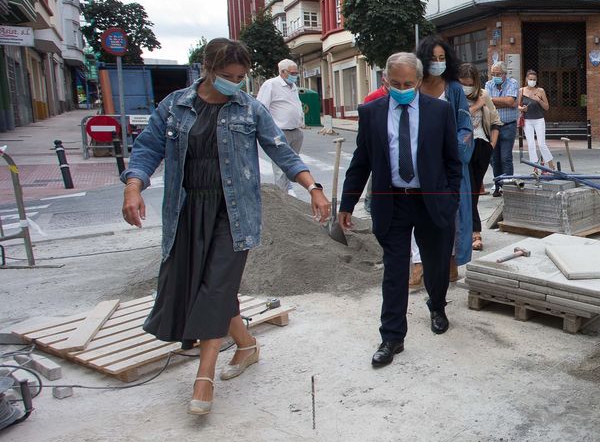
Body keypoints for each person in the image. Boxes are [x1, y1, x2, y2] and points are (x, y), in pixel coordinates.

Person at [121, 38, 330, 415]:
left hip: (233, 214)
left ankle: (205, 376)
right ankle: (246, 346)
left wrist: (313, 187)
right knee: (201, 284)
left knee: (216, 287)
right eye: (227, 76)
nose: (235, 82)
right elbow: (148, 148)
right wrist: (133, 187)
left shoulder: (248, 109)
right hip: (187, 211)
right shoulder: (175, 107)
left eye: (240, 76)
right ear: (207, 69)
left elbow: (281, 149)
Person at [338, 52, 462, 367]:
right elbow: (361, 161)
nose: (402, 88)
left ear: (419, 81)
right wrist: (347, 202)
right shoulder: (371, 113)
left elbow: (452, 161)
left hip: (431, 200)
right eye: (396, 83)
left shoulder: (440, 111)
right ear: (385, 81)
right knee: (395, 271)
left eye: (408, 83)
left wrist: (449, 199)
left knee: (435, 263)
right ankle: (392, 337)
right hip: (391, 200)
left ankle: (437, 305)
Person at [415, 36, 474, 284]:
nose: (438, 63)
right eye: (433, 59)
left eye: (442, 58)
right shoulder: (413, 87)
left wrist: (452, 151)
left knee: (453, 213)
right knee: (417, 214)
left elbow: (465, 126)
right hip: (418, 164)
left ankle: (450, 261)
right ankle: (417, 264)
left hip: (449, 164)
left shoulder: (454, 89)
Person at [462, 62, 500, 250]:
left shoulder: (485, 95)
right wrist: (476, 106)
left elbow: (495, 121)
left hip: (481, 146)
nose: (466, 86)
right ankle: (475, 232)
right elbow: (456, 118)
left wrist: (491, 145)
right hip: (462, 147)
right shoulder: (454, 96)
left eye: (470, 82)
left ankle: (470, 228)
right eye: (463, 82)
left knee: (474, 190)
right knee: (467, 189)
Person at [256, 58, 305, 192]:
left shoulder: (293, 86)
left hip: (296, 131)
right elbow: (261, 108)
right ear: (283, 72)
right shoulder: (271, 84)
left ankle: (287, 190)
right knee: (281, 167)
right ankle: (282, 197)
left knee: (293, 165)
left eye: (296, 73)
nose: (295, 76)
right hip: (280, 132)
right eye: (292, 73)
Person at [485, 61, 520, 196]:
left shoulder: (512, 83)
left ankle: (508, 185)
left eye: (498, 74)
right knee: (494, 158)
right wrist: (504, 101)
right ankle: (498, 185)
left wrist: (493, 101)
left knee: (505, 157)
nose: (495, 76)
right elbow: (486, 103)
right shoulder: (488, 84)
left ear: (505, 74)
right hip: (493, 126)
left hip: (508, 126)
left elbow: (511, 102)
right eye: (493, 74)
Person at [518, 69, 554, 167]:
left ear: (536, 80)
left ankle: (551, 165)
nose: (532, 81)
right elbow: (517, 106)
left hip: (539, 120)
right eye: (530, 79)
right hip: (527, 120)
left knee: (541, 144)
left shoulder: (540, 91)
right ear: (526, 79)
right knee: (531, 144)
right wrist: (522, 108)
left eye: (534, 79)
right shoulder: (521, 90)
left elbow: (547, 107)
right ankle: (535, 167)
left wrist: (539, 100)